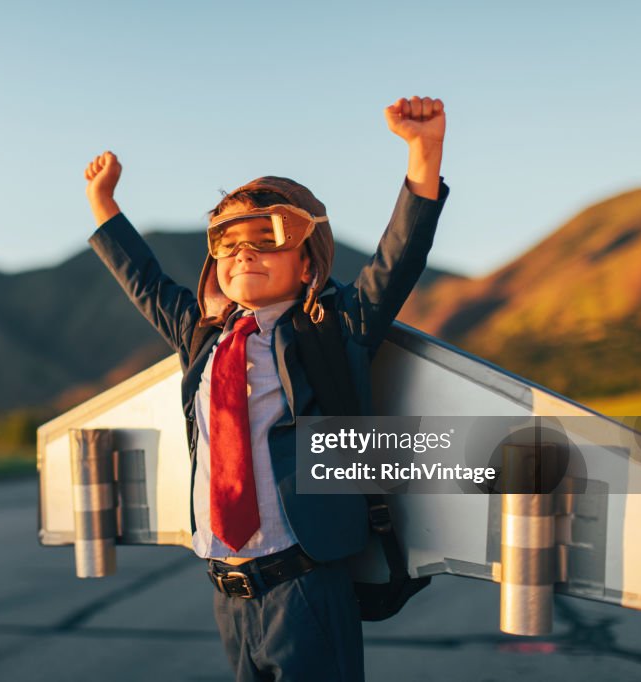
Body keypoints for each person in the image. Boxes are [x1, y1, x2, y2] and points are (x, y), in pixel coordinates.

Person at [84, 96, 448, 681]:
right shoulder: (202, 334)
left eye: (267, 238)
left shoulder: (332, 329)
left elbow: (397, 261)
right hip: (227, 592)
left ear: (308, 266)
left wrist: (422, 153)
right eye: (228, 244)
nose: (244, 252)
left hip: (303, 582)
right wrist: (104, 205)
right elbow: (144, 281)